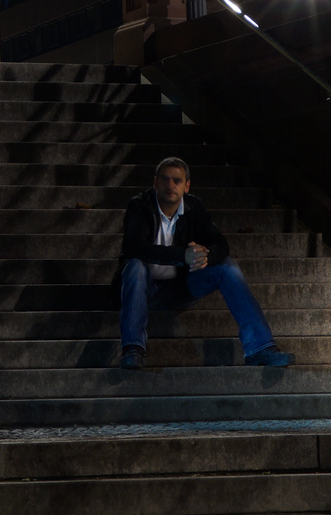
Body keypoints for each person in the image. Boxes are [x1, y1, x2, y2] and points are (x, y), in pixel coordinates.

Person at [117, 156, 292, 370]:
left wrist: (206, 255)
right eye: (165, 179)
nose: (170, 185)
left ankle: (260, 348)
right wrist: (183, 256)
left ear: (186, 186)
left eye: (177, 181)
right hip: (145, 291)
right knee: (135, 265)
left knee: (227, 266)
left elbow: (221, 244)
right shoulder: (139, 205)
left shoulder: (193, 207)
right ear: (155, 183)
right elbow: (133, 247)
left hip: (182, 289)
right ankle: (133, 349)